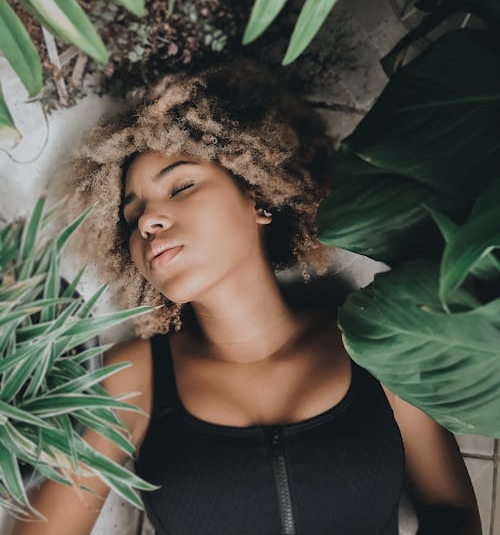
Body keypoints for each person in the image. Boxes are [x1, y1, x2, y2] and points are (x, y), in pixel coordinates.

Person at [13, 61, 481, 535]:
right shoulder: (136, 377)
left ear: (257, 199)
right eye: (134, 216)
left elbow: (452, 510)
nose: (150, 220)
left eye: (181, 186)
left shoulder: (376, 336)